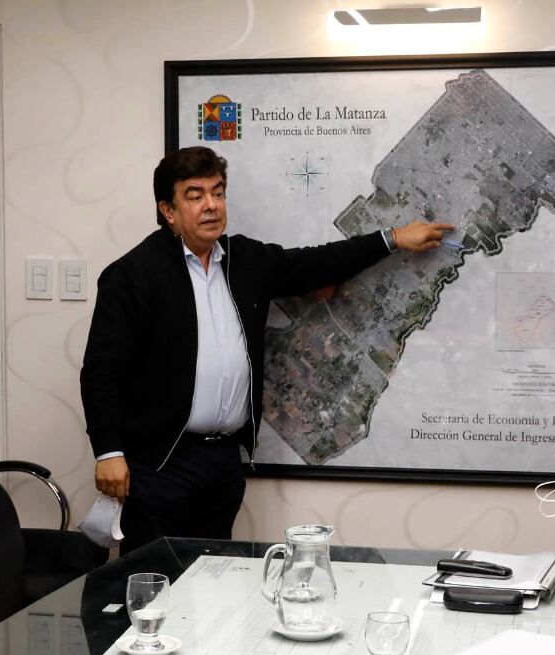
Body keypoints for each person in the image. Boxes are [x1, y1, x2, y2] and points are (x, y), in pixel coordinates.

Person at [81, 146, 452, 553]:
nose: (211, 206)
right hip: (159, 463)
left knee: (213, 579)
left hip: (222, 463)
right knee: (156, 583)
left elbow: (318, 264)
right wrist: (108, 452)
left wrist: (393, 238)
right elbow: (101, 372)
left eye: (218, 192)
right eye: (195, 195)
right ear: (168, 211)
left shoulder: (245, 260)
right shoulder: (131, 276)